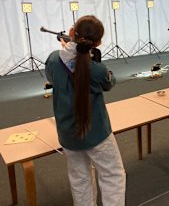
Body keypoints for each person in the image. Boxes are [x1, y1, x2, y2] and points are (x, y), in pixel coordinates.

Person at [45, 15, 126, 205]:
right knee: (112, 176)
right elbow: (109, 82)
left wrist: (68, 51)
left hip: (68, 135)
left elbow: (52, 76)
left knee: (80, 180)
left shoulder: (54, 60)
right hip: (97, 134)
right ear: (97, 42)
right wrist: (90, 60)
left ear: (72, 33)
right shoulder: (96, 69)